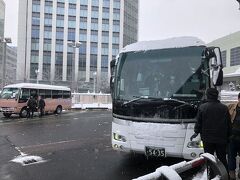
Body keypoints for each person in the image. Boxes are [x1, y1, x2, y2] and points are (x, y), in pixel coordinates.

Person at [190, 88, 231, 172]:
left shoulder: (203, 107)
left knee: (208, 159)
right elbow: (228, 124)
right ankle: (225, 175)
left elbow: (199, 123)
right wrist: (228, 137)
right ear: (217, 96)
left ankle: (210, 175)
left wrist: (196, 132)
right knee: (222, 159)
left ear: (208, 95)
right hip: (221, 139)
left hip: (207, 139)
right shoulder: (224, 108)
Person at [228, 93, 240, 180]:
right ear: (238, 98)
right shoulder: (231, 106)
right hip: (232, 138)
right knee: (231, 157)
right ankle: (232, 176)